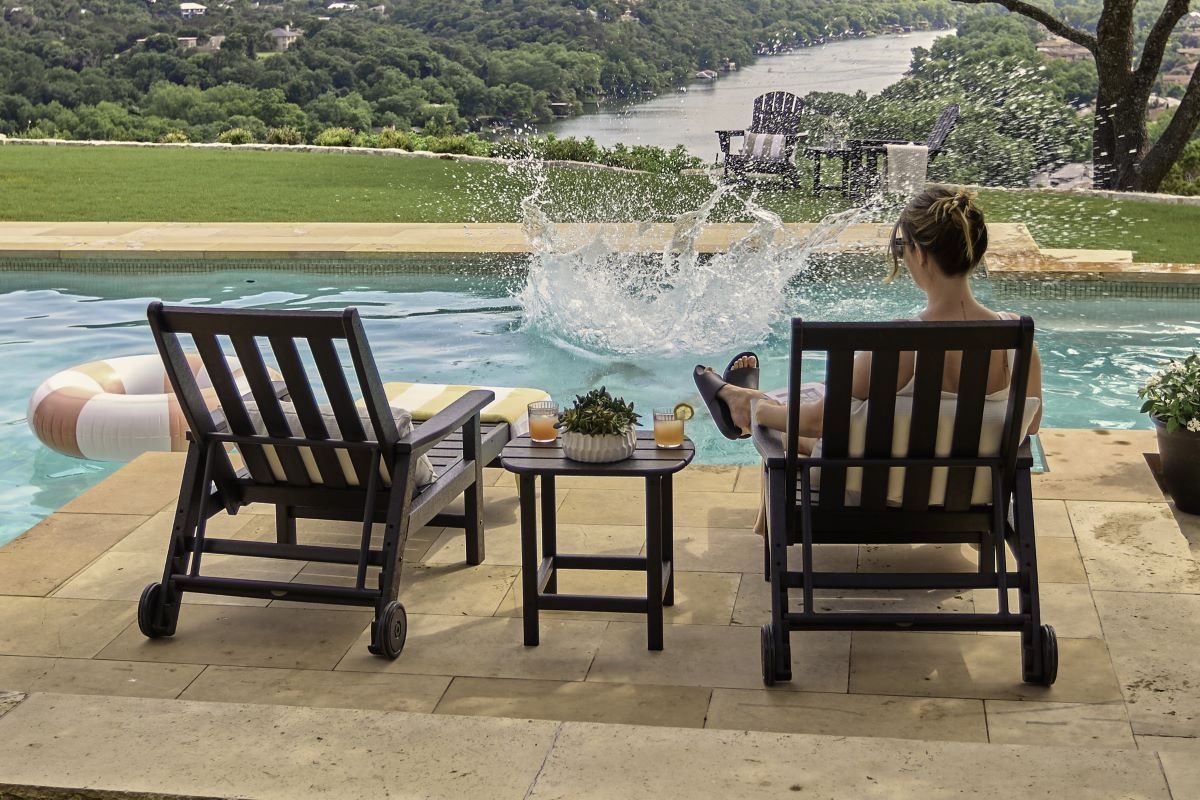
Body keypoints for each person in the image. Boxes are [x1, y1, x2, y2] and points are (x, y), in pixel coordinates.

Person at [694, 186, 1044, 453]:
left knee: (793, 417)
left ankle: (745, 404)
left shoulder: (899, 345)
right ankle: (747, 398)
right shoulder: (1018, 343)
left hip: (881, 490)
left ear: (919, 254)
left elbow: (818, 422)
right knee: (842, 404)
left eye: (902, 248)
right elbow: (1030, 426)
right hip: (972, 493)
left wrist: (761, 410)